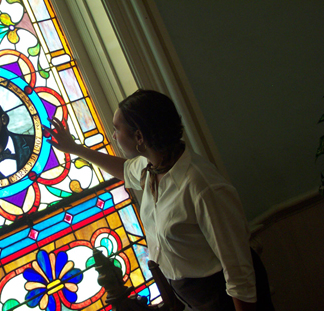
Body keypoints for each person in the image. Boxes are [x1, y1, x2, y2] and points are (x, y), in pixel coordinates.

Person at [43, 90, 274, 311]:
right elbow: (125, 170)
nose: (113, 135)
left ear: (139, 137)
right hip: (191, 295)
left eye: (117, 129)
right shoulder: (151, 165)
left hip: (221, 297)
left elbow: (239, 273)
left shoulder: (202, 187)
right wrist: (75, 148)